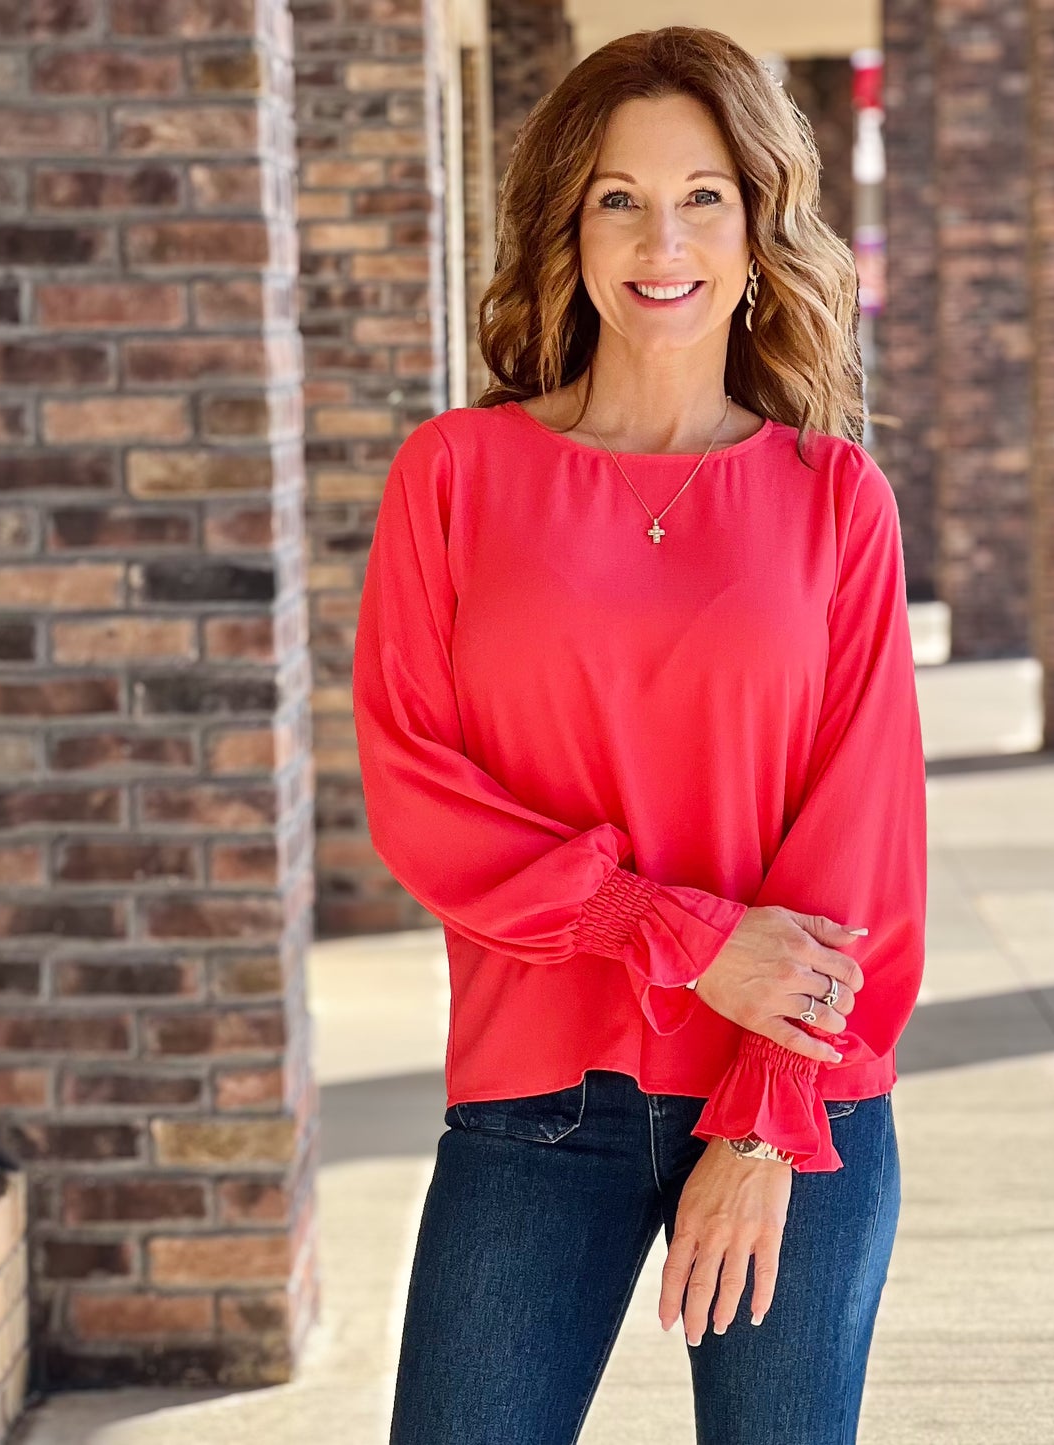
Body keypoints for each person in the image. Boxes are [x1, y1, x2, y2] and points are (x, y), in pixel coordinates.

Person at [352, 25, 927, 1445]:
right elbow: (418, 791)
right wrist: (676, 930)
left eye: (701, 195)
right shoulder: (456, 476)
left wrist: (762, 1118)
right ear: (569, 219)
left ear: (755, 220)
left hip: (791, 1112)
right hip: (538, 1100)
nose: (657, 238)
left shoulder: (831, 497)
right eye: (617, 195)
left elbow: (863, 851)